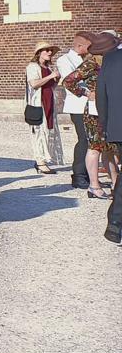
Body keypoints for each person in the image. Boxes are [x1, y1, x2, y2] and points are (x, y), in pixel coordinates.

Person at [62, 33, 119, 199]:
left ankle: (116, 185)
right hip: (94, 111)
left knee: (109, 148)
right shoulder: (91, 63)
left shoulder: (110, 61)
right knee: (95, 147)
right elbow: (68, 81)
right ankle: (94, 186)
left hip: (108, 108)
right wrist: (86, 93)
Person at [54, 32, 94, 190]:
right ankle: (78, 175)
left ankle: (90, 175)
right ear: (79, 46)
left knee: (92, 140)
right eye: (89, 46)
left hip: (92, 105)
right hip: (78, 105)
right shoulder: (64, 60)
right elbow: (68, 82)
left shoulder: (90, 58)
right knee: (84, 139)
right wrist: (87, 93)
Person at [93, 35, 122, 243]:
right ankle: (115, 221)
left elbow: (100, 94)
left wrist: (104, 124)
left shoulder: (110, 59)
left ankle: (115, 221)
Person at [25, 42, 64, 174]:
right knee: (38, 132)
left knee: (48, 132)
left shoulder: (48, 67)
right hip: (38, 104)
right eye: (46, 50)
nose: (49, 52)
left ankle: (43, 159)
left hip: (49, 102)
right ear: (39, 53)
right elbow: (34, 84)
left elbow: (51, 86)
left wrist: (56, 79)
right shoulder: (32, 67)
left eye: (51, 50)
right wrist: (50, 76)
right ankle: (40, 162)